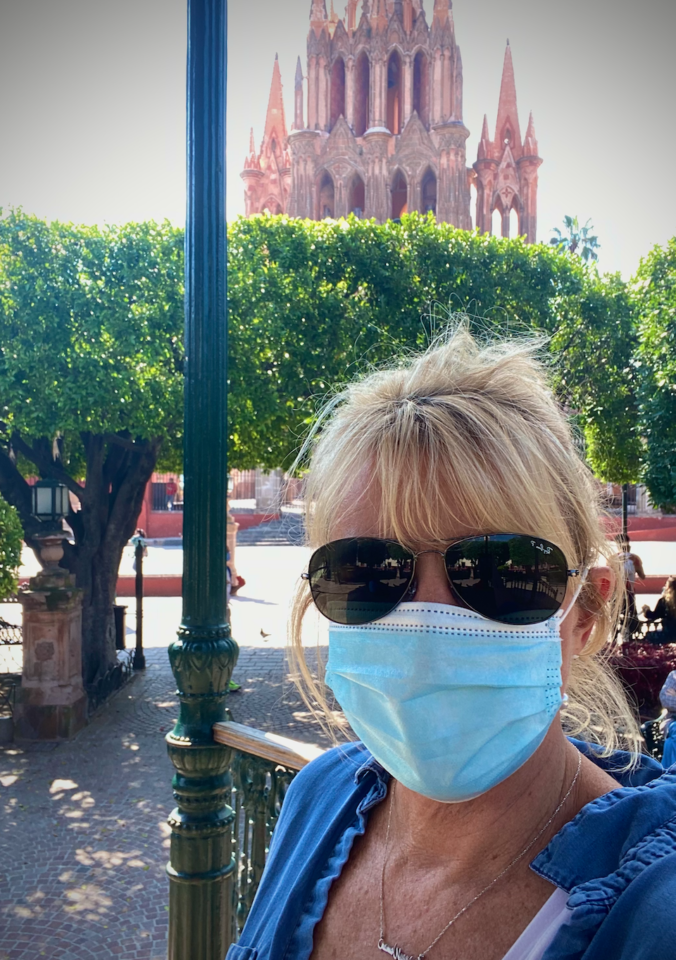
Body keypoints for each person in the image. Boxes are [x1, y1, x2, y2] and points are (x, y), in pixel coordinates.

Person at [228, 328, 676, 960]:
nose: (428, 619)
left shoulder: (655, 918)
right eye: (367, 570)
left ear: (586, 613)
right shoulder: (318, 796)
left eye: (502, 572)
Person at [616, 534, 645, 639]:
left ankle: (614, 637)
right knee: (631, 617)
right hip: (630, 593)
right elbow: (642, 576)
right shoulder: (634, 559)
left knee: (614, 619)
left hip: (616, 595)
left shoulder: (612, 559)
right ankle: (632, 636)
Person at [642, 575, 676, 644]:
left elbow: (653, 616)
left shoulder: (664, 601)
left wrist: (646, 610)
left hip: (667, 635)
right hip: (670, 635)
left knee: (648, 636)